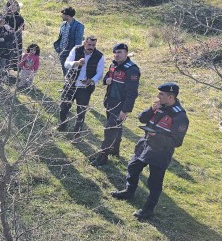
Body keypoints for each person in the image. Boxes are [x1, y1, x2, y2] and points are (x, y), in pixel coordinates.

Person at [111, 83, 189, 221]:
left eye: (161, 94)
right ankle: (129, 191)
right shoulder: (158, 106)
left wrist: (156, 136)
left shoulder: (180, 116)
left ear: (170, 97)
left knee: (154, 182)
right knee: (133, 167)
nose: (157, 96)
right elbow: (142, 118)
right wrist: (150, 109)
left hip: (160, 153)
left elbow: (176, 142)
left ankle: (148, 209)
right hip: (145, 145)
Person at [91, 43, 140, 166]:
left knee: (110, 130)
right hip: (110, 102)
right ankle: (114, 150)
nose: (117, 55)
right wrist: (106, 80)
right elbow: (108, 76)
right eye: (115, 52)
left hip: (120, 105)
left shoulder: (131, 69)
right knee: (116, 128)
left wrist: (125, 110)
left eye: (120, 52)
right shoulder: (113, 65)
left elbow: (132, 93)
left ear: (126, 53)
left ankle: (102, 157)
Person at [58, 35, 104, 136]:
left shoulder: (99, 56)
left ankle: (77, 133)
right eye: (89, 44)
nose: (91, 47)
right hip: (71, 84)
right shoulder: (76, 49)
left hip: (85, 88)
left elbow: (100, 73)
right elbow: (66, 63)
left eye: (93, 45)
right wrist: (76, 63)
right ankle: (62, 125)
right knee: (64, 107)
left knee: (81, 112)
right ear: (84, 43)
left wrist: (92, 80)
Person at [53, 6, 84, 75]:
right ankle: (66, 84)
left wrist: (75, 54)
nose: (61, 16)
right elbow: (61, 37)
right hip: (62, 52)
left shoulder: (78, 26)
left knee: (71, 72)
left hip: (70, 53)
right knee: (65, 71)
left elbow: (78, 42)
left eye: (63, 14)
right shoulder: (63, 24)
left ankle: (70, 85)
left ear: (68, 15)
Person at [3, 0, 25, 65]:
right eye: (12, 6)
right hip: (5, 37)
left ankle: (15, 65)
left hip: (15, 37)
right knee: (6, 54)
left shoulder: (19, 17)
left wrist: (20, 29)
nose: (14, 7)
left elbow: (21, 27)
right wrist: (5, 26)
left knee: (15, 54)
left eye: (15, 6)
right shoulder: (4, 16)